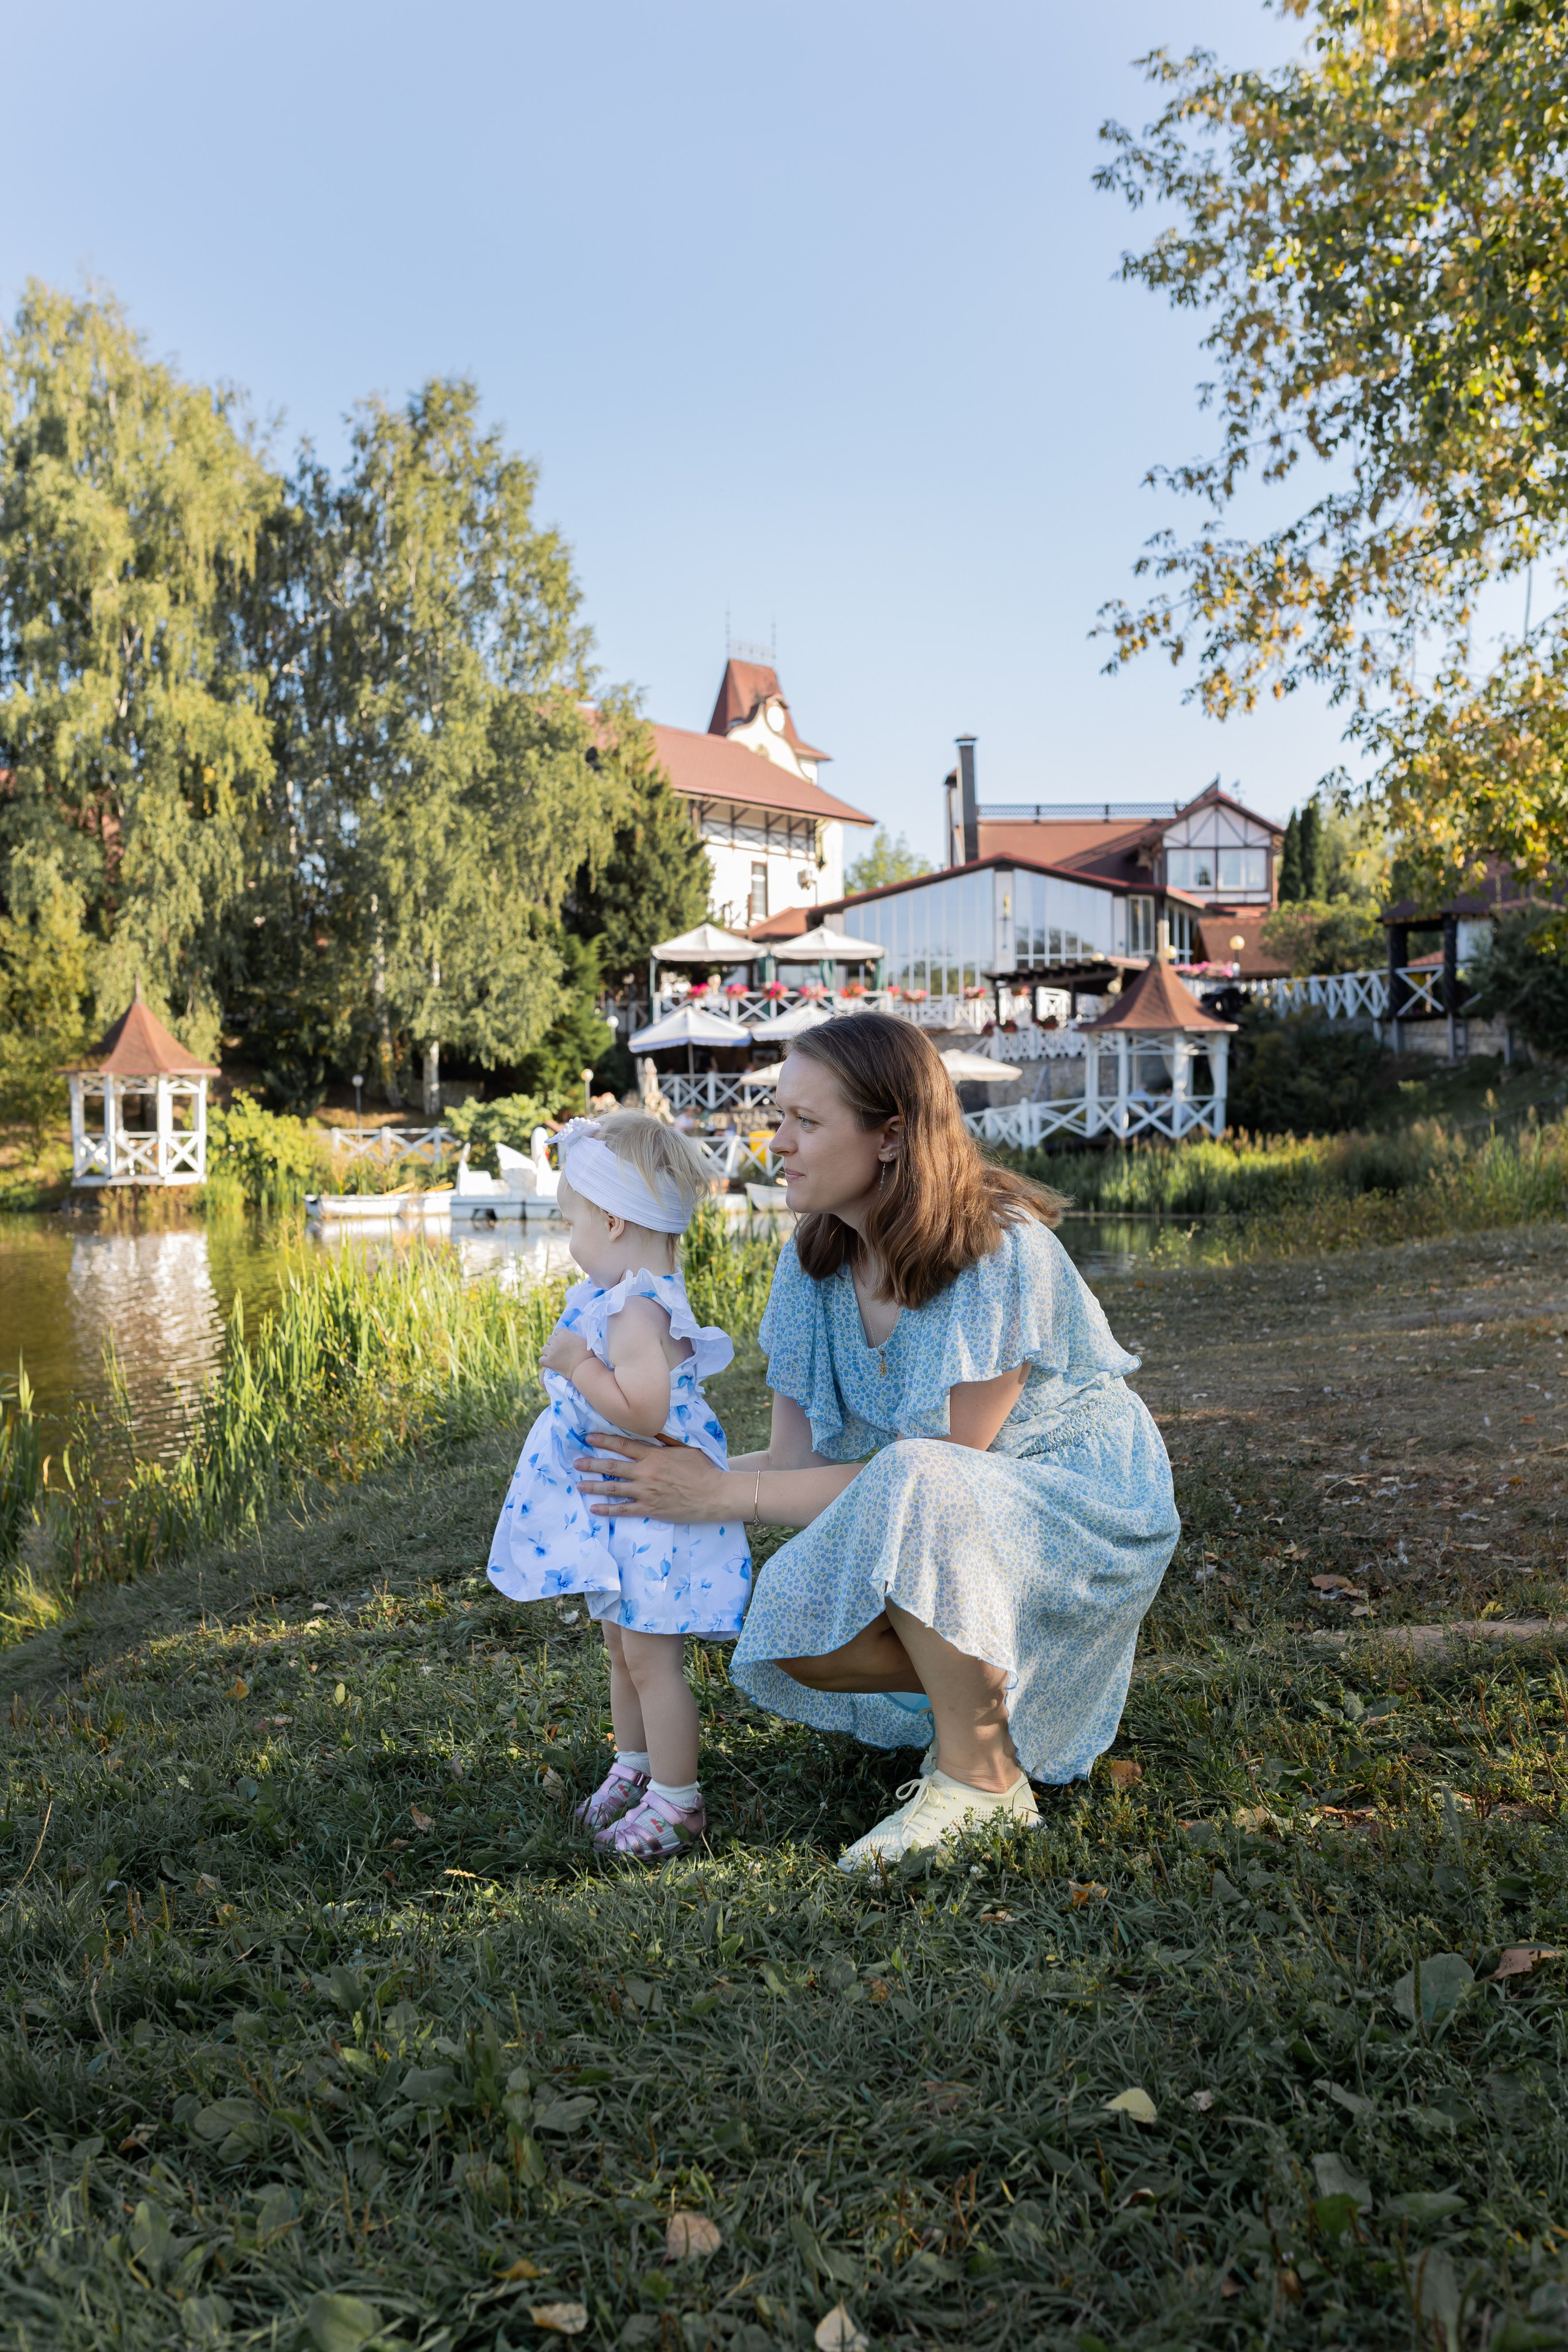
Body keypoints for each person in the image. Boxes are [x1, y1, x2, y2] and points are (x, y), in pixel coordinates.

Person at [573, 1014, 1179, 1873]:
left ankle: (983, 1782)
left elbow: (951, 1471)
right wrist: (652, 1482)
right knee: (790, 1629)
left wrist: (718, 1494)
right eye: (779, 1117)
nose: (778, 1144)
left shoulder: (1002, 1249)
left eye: (805, 1122)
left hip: (1077, 1506)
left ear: (890, 1136)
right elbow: (794, 1466)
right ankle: (986, 1685)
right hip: (935, 1503)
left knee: (920, 1479)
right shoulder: (812, 1262)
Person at [487, 1113, 750, 1859]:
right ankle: (633, 1766)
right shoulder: (624, 1294)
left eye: (571, 1222)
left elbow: (644, 1410)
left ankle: (677, 1801)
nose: (568, 1238)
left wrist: (578, 1365)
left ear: (610, 1221)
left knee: (651, 1660)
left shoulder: (636, 1308)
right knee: (621, 1648)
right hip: (626, 1508)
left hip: (653, 1511)